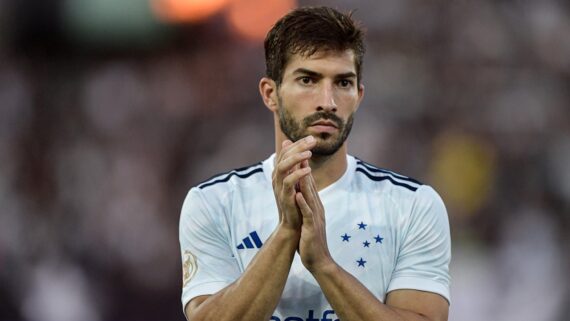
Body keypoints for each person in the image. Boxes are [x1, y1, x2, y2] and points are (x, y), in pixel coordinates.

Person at [179, 6, 451, 321]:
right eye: (308, 79)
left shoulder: (412, 206)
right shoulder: (214, 202)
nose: (328, 101)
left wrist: (323, 265)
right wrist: (286, 232)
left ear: (359, 95)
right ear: (271, 93)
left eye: (343, 83)